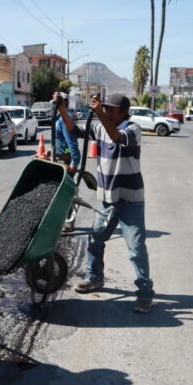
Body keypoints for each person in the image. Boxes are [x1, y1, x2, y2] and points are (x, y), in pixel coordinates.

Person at [53, 92, 155, 313]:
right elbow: (74, 130)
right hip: (108, 199)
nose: (106, 111)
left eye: (110, 109)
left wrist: (99, 113)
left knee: (136, 249)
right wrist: (62, 108)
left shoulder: (133, 129)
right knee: (96, 238)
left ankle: (145, 293)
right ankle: (95, 277)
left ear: (122, 112)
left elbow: (118, 137)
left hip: (130, 199)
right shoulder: (100, 126)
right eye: (104, 108)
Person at [53, 94, 81, 173]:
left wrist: (74, 162)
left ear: (64, 103)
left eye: (56, 103)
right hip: (59, 157)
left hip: (64, 159)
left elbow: (71, 142)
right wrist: (51, 150)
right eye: (54, 103)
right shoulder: (58, 118)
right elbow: (59, 138)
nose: (54, 106)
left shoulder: (65, 119)